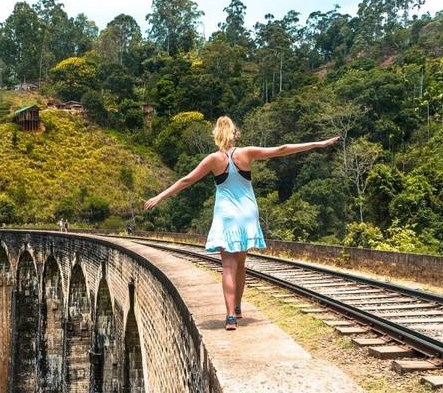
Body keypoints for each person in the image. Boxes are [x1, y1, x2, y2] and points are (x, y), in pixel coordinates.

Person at [144, 116, 338, 330]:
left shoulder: (213, 159)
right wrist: (318, 144)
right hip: (247, 213)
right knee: (241, 263)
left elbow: (186, 180)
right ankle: (237, 306)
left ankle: (229, 317)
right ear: (234, 133)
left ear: (216, 135)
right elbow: (282, 149)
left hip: (226, 215)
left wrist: (160, 197)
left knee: (228, 265)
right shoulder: (247, 153)